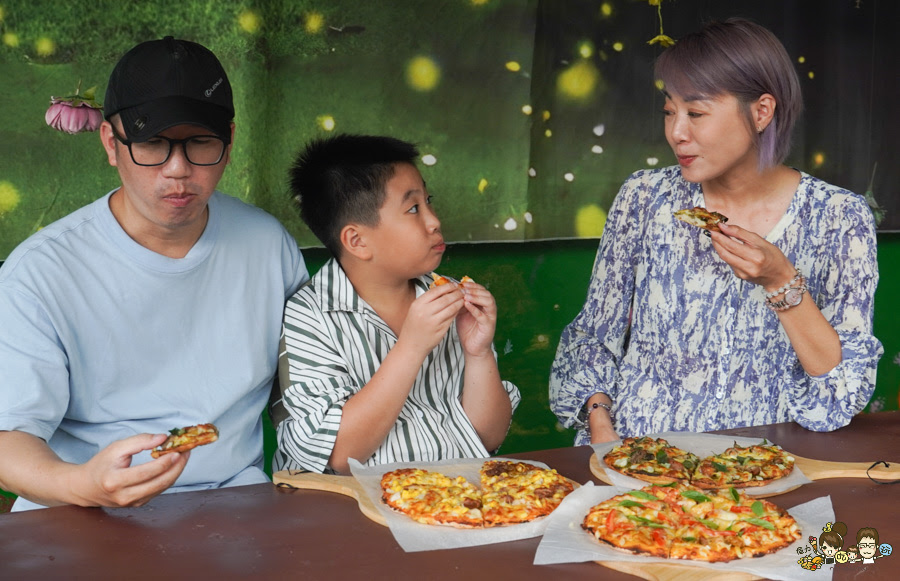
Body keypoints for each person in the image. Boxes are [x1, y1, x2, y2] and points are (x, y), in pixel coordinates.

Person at [0, 37, 308, 510]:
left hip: (233, 505)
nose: (178, 170)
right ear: (111, 142)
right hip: (78, 510)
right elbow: (8, 437)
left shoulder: (267, 245)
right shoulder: (41, 272)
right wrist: (83, 485)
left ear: (228, 142)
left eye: (200, 142)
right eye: (152, 143)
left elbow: (309, 395)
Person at [550, 18, 882, 445]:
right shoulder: (644, 197)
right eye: (669, 111)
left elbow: (841, 392)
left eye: (696, 113)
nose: (676, 132)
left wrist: (781, 281)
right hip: (637, 458)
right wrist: (601, 425)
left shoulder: (839, 217)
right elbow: (594, 335)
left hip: (765, 463)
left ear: (762, 111)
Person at [272, 133, 520, 475]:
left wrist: (478, 353)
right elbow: (340, 455)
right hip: (351, 502)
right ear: (357, 241)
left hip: (453, 493)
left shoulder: (446, 297)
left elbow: (487, 437)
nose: (434, 221)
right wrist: (412, 346)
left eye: (428, 202)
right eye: (413, 209)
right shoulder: (309, 316)